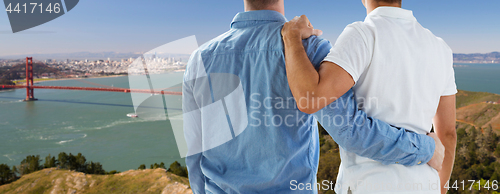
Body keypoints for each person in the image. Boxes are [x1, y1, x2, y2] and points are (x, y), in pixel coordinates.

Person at [183, 0, 444, 193]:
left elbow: (193, 150)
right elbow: (350, 129)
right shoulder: (308, 48)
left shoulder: (199, 59)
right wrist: (425, 148)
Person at [281, 0, 457, 193]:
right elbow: (448, 133)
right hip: (424, 184)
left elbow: (311, 99)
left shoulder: (363, 34)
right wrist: (440, 187)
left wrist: (292, 38)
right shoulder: (441, 49)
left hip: (367, 184)